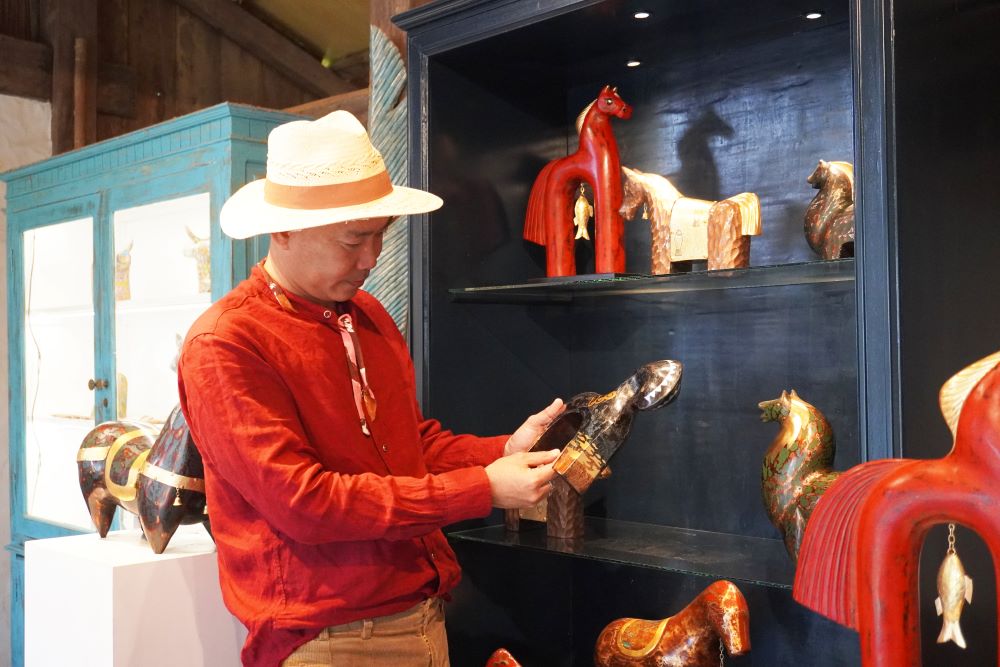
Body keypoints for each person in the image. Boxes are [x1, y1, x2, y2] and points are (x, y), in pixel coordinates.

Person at [177, 110, 564, 667]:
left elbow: (406, 446)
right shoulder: (226, 343)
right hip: (330, 639)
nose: (371, 258)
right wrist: (482, 487)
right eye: (353, 239)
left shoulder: (366, 315)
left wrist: (501, 450)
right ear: (282, 230)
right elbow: (306, 504)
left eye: (381, 234)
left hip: (420, 614)